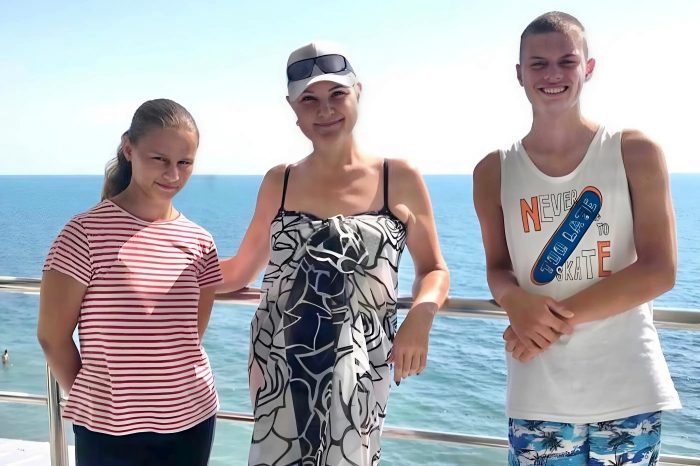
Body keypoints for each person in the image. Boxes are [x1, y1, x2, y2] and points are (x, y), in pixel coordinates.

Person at [218, 42, 450, 465]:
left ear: (358, 93)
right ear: (293, 108)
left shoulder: (397, 177)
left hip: (360, 371)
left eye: (337, 94)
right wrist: (158, 260)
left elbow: (434, 269)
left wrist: (420, 317)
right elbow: (238, 271)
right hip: (279, 366)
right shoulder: (279, 182)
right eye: (309, 99)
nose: (324, 110)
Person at [473, 11, 681, 466]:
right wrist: (514, 300)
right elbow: (497, 266)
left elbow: (659, 270)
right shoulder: (494, 170)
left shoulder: (634, 151)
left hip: (628, 387)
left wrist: (546, 322)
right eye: (538, 63)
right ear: (519, 74)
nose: (553, 74)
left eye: (566, 61)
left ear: (588, 68)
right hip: (538, 389)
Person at [37, 99, 222, 466]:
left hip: (192, 419)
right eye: (159, 159)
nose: (173, 174)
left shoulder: (200, 242)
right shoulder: (84, 233)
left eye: (184, 163)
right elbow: (51, 337)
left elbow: (189, 337)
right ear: (128, 149)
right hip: (107, 429)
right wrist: (97, 400)